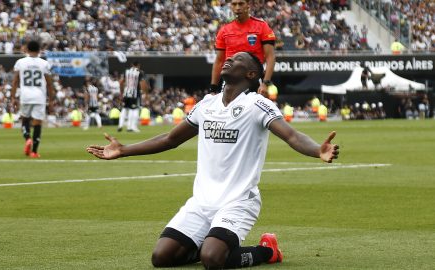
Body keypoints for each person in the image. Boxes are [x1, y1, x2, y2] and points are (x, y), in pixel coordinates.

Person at [86, 52, 339, 269]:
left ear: (251, 74)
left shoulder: (257, 104)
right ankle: (207, 243)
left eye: (238, 59)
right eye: (229, 57)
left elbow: (292, 136)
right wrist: (124, 150)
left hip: (238, 201)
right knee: (161, 257)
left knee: (212, 259)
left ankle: (267, 250)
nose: (229, 59)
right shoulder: (207, 104)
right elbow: (170, 139)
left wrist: (318, 150)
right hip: (202, 201)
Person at [210, 0, 276, 96]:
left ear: (248, 5)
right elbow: (219, 61)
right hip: (230, 82)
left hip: (253, 80)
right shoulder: (224, 30)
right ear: (231, 6)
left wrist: (265, 83)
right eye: (234, 4)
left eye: (241, 4)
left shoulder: (262, 27)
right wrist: (213, 89)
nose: (237, 7)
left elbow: (271, 57)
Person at [11, 40, 55, 158]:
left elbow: (15, 81)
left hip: (25, 95)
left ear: (27, 49)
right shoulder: (44, 63)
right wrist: (51, 100)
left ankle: (27, 138)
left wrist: (13, 97)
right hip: (39, 96)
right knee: (37, 123)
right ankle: (34, 152)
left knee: (25, 120)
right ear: (39, 50)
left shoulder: (20, 62)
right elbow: (49, 83)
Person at [118, 61, 149, 132]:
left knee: (124, 109)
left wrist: (121, 92)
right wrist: (146, 93)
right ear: (138, 65)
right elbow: (142, 83)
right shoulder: (139, 72)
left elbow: (121, 82)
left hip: (126, 93)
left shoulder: (126, 71)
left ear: (132, 65)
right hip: (135, 94)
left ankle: (120, 125)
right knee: (134, 109)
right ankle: (131, 127)